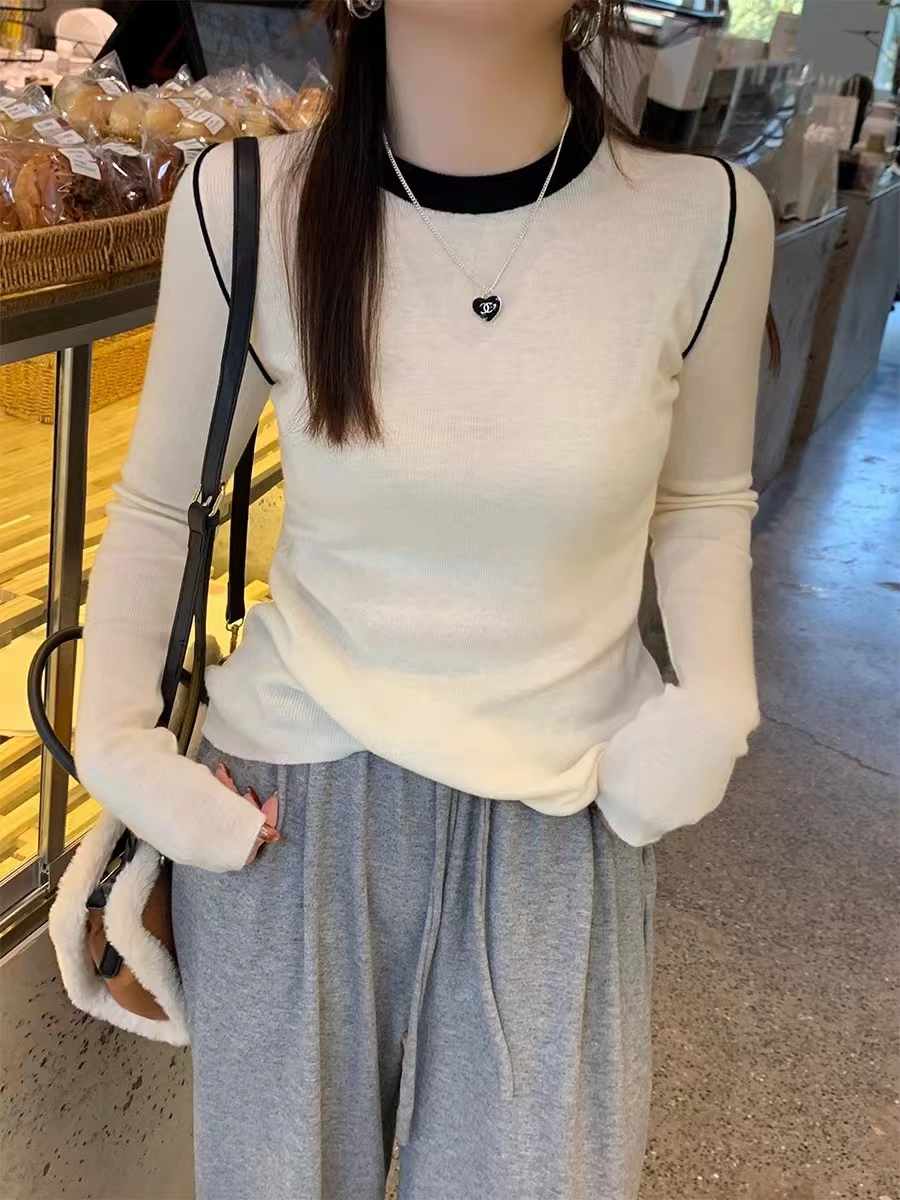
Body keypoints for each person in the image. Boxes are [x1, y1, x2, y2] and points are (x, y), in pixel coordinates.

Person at [73, 1, 774, 1197]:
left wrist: (715, 706)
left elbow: (704, 496)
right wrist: (118, 745)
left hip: (563, 809)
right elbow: (157, 503)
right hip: (290, 816)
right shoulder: (246, 203)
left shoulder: (703, 219)